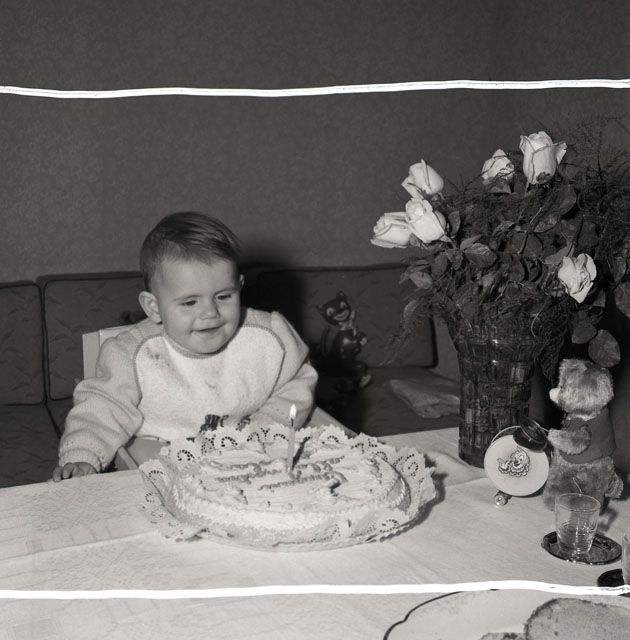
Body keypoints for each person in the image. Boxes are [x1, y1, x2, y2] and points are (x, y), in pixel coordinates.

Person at [51, 212, 317, 481]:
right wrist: (83, 456)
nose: (210, 313)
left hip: (248, 458)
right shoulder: (130, 355)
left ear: (239, 287)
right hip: (158, 464)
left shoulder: (271, 337)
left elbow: (297, 379)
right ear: (154, 307)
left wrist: (267, 424)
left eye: (224, 296)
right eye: (190, 302)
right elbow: (102, 409)